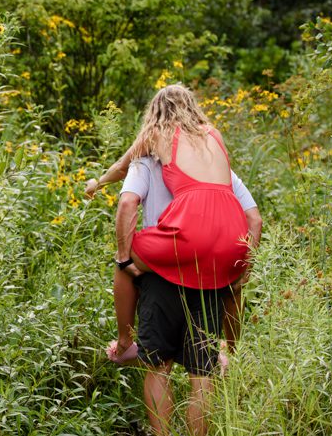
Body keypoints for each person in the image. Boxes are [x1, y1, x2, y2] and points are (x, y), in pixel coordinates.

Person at [87, 84, 258, 436]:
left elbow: (126, 200)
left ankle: (124, 342)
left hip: (170, 260)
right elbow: (254, 219)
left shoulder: (151, 145)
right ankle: (231, 348)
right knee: (202, 373)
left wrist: (99, 183)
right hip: (215, 266)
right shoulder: (218, 153)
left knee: (157, 363)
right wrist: (242, 267)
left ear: (155, 112)